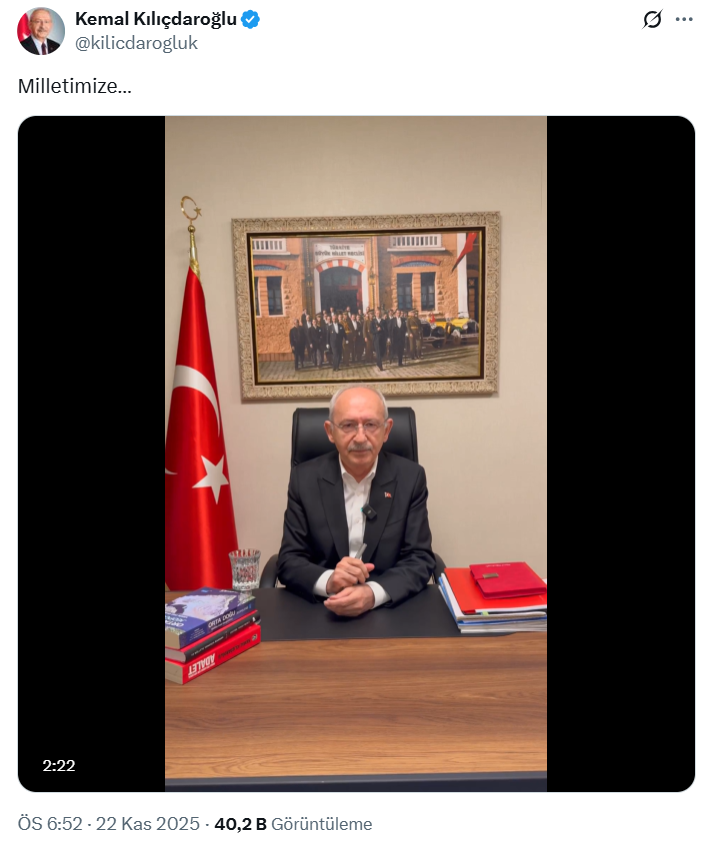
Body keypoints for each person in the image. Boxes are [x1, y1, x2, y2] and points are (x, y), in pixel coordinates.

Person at [277, 385, 436, 615]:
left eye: (371, 425)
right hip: (322, 608)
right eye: (348, 425)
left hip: (387, 608)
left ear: (387, 430)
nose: (360, 437)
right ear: (330, 431)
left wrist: (373, 593)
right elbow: (289, 560)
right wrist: (329, 580)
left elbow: (419, 559)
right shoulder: (304, 479)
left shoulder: (411, 478)